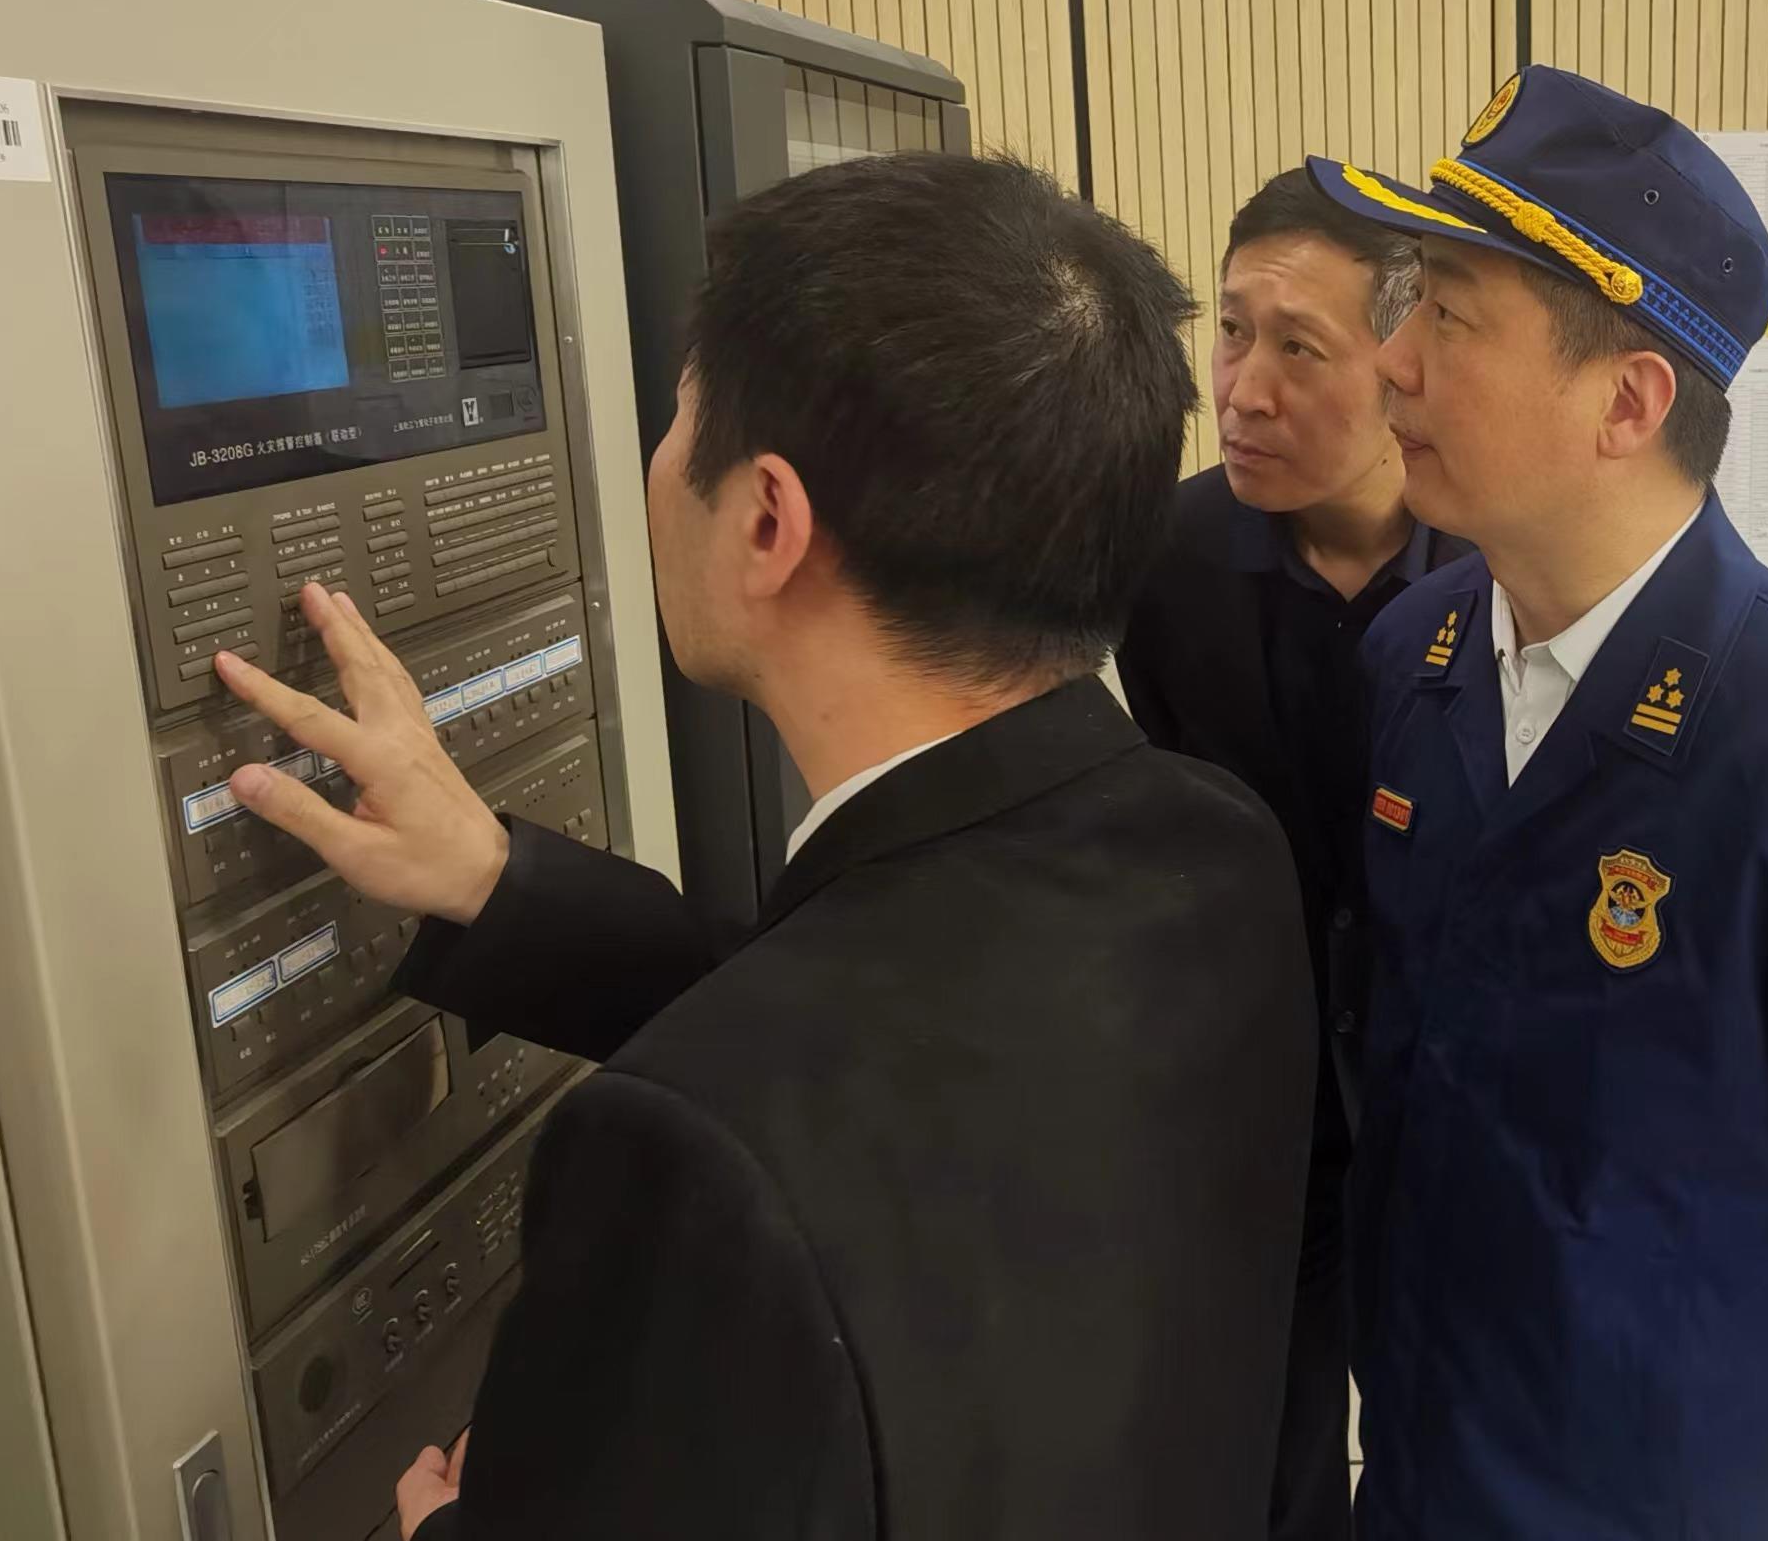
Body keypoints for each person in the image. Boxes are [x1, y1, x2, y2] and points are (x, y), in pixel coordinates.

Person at [215, 153, 1313, 1540]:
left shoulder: (680, 1155)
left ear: (769, 521)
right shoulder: (1218, 848)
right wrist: (499, 879)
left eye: (680, 420)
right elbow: (896, 1065)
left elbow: (802, 1092)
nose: (658, 465)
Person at [1306, 67, 1768, 1541]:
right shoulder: (1419, 657)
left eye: (1448, 315)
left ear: (1629, 400)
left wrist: (1741, 1405)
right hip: (1431, 1465)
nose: (1390, 360)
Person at [1116, 168, 1472, 1541]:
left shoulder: (1497, 572)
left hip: (1454, 1102)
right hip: (1254, 1109)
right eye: (1231, 330)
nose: (1242, 390)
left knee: (1462, 1446)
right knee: (1270, 1465)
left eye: (1299, 348)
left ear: (1402, 363)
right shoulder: (1164, 562)